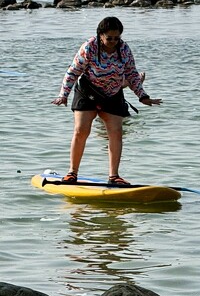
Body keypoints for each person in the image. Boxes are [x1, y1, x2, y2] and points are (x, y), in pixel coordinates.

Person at [51, 16, 162, 185]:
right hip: (88, 92)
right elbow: (72, 72)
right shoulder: (89, 47)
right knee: (81, 130)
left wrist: (142, 96)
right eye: (109, 38)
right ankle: (72, 173)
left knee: (116, 133)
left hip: (113, 94)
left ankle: (114, 177)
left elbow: (132, 74)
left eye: (117, 38)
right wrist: (63, 95)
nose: (113, 42)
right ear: (100, 35)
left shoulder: (124, 49)